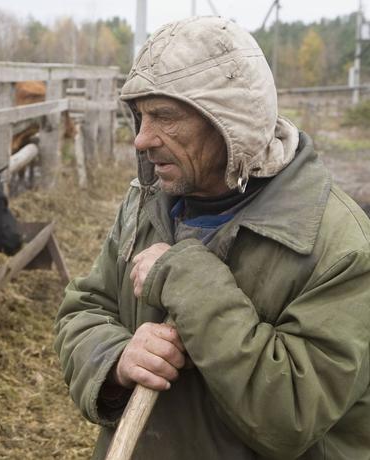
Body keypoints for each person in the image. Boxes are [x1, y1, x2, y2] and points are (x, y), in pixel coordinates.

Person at [54, 16, 370, 460]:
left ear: (231, 121)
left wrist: (186, 276)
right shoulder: (147, 203)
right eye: (140, 116)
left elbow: (292, 414)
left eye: (164, 116)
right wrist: (115, 359)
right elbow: (84, 309)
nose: (141, 140)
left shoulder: (338, 245)